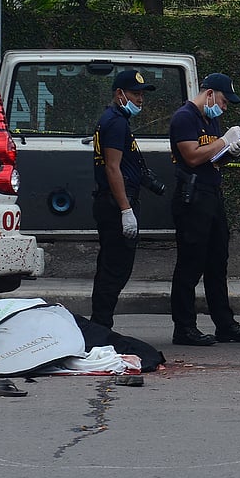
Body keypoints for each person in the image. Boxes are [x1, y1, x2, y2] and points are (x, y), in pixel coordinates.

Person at [168, 73, 240, 346]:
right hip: (192, 196)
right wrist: (223, 141)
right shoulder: (185, 117)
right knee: (190, 264)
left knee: (218, 262)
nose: (224, 108)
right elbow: (192, 156)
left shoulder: (210, 119)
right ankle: (184, 327)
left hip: (212, 194)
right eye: (224, 101)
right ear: (210, 94)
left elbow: (213, 158)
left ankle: (224, 323)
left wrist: (231, 151)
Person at [90, 69, 156, 329]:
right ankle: (101, 325)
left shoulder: (115, 119)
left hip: (113, 200)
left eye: (141, 95)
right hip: (116, 201)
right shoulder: (115, 122)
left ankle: (101, 323)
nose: (140, 100)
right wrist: (125, 210)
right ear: (120, 94)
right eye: (135, 94)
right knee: (115, 269)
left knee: (112, 267)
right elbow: (112, 168)